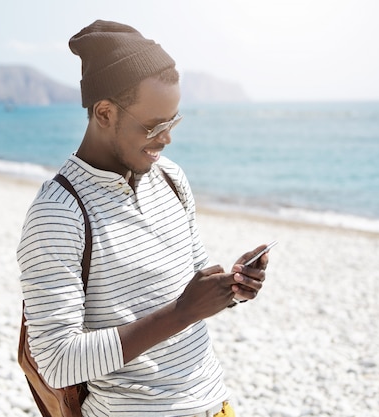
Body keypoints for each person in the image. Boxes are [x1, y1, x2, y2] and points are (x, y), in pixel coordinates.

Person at [17, 20, 270, 417]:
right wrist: (182, 312)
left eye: (174, 121)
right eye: (154, 126)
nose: (167, 138)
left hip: (214, 404)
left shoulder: (170, 178)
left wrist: (231, 289)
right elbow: (56, 360)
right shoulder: (57, 213)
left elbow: (192, 287)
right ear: (104, 113)